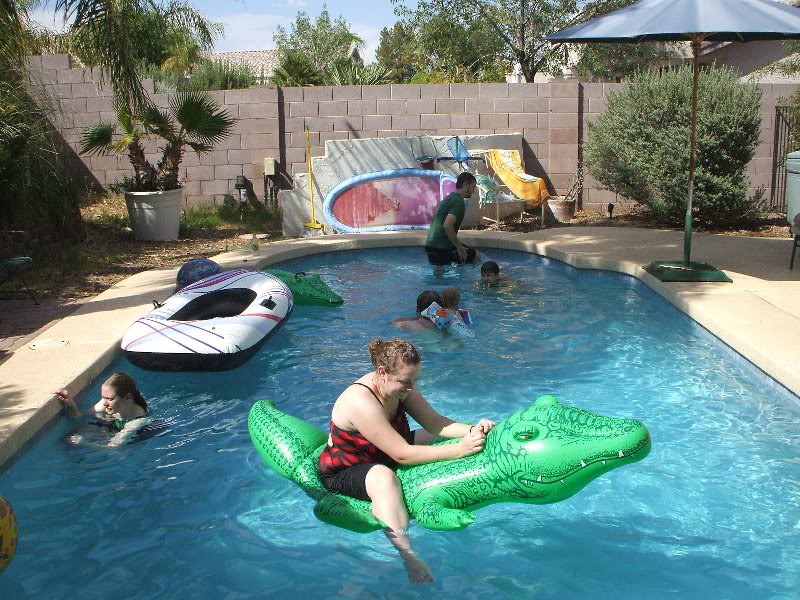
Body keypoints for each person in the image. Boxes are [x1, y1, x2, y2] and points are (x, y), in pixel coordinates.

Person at [317, 339, 495, 583]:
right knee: (384, 478)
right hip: (348, 469)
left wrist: (474, 430)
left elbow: (436, 423)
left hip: (387, 450)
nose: (411, 388)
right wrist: (459, 450)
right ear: (382, 373)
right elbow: (402, 454)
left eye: (415, 380)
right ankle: (408, 555)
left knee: (439, 435)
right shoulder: (361, 401)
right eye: (406, 381)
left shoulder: (401, 385)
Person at [55, 372, 151, 447]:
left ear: (127, 397)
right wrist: (71, 405)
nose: (104, 403)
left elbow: (113, 447)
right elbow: (81, 417)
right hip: (111, 424)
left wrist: (83, 443)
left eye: (109, 399)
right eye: (103, 398)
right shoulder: (109, 402)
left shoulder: (137, 422)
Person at [424, 172, 480, 265]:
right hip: (441, 249)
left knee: (440, 274)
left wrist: (459, 245)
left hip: (431, 247)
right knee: (476, 257)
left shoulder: (450, 197)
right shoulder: (458, 202)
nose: (473, 191)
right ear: (466, 185)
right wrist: (459, 247)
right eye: (473, 187)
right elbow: (447, 225)